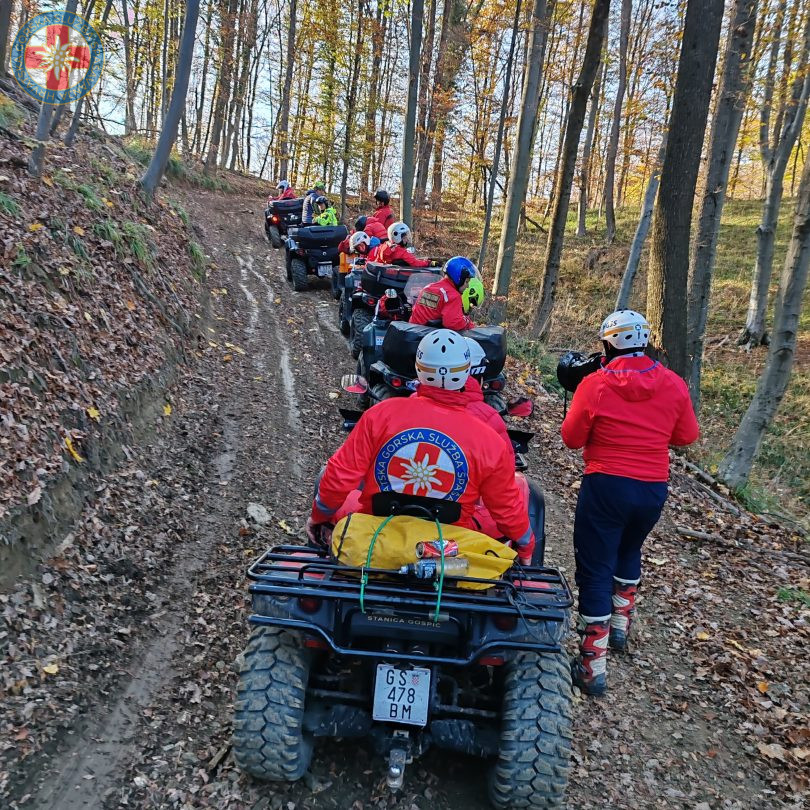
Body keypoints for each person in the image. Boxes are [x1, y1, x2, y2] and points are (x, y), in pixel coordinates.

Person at [561, 309, 699, 697]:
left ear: (608, 344)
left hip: (606, 484)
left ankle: (592, 666)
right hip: (652, 488)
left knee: (595, 567)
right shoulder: (673, 383)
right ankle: (620, 625)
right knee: (629, 548)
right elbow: (686, 436)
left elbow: (571, 438)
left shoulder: (596, 384)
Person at [307, 329, 535, 564]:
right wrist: (526, 547)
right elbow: (506, 506)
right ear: (467, 372)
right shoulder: (489, 439)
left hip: (376, 535)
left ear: (418, 368)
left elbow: (339, 476)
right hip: (449, 546)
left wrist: (318, 516)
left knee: (333, 490)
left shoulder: (380, 415)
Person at [410, 256, 478, 331]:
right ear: (459, 279)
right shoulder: (452, 295)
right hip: (427, 335)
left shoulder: (429, 287)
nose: (467, 286)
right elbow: (453, 323)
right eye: (467, 282)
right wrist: (471, 325)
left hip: (412, 331)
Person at [369, 222, 434, 268]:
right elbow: (415, 263)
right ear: (397, 237)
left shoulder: (384, 246)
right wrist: (429, 263)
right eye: (405, 238)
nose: (407, 240)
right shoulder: (401, 252)